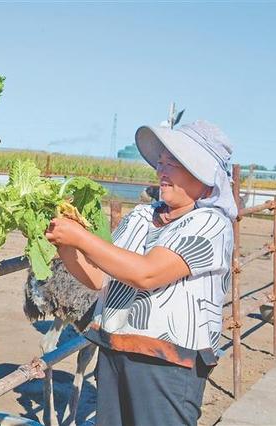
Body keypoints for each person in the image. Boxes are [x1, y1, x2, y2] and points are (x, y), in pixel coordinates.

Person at [45, 120, 236, 426]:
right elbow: (99, 278)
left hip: (168, 364)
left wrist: (81, 238)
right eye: (161, 162)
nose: (162, 170)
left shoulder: (211, 225)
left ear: (203, 176)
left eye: (174, 163)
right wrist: (65, 245)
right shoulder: (141, 216)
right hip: (113, 351)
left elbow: (147, 273)